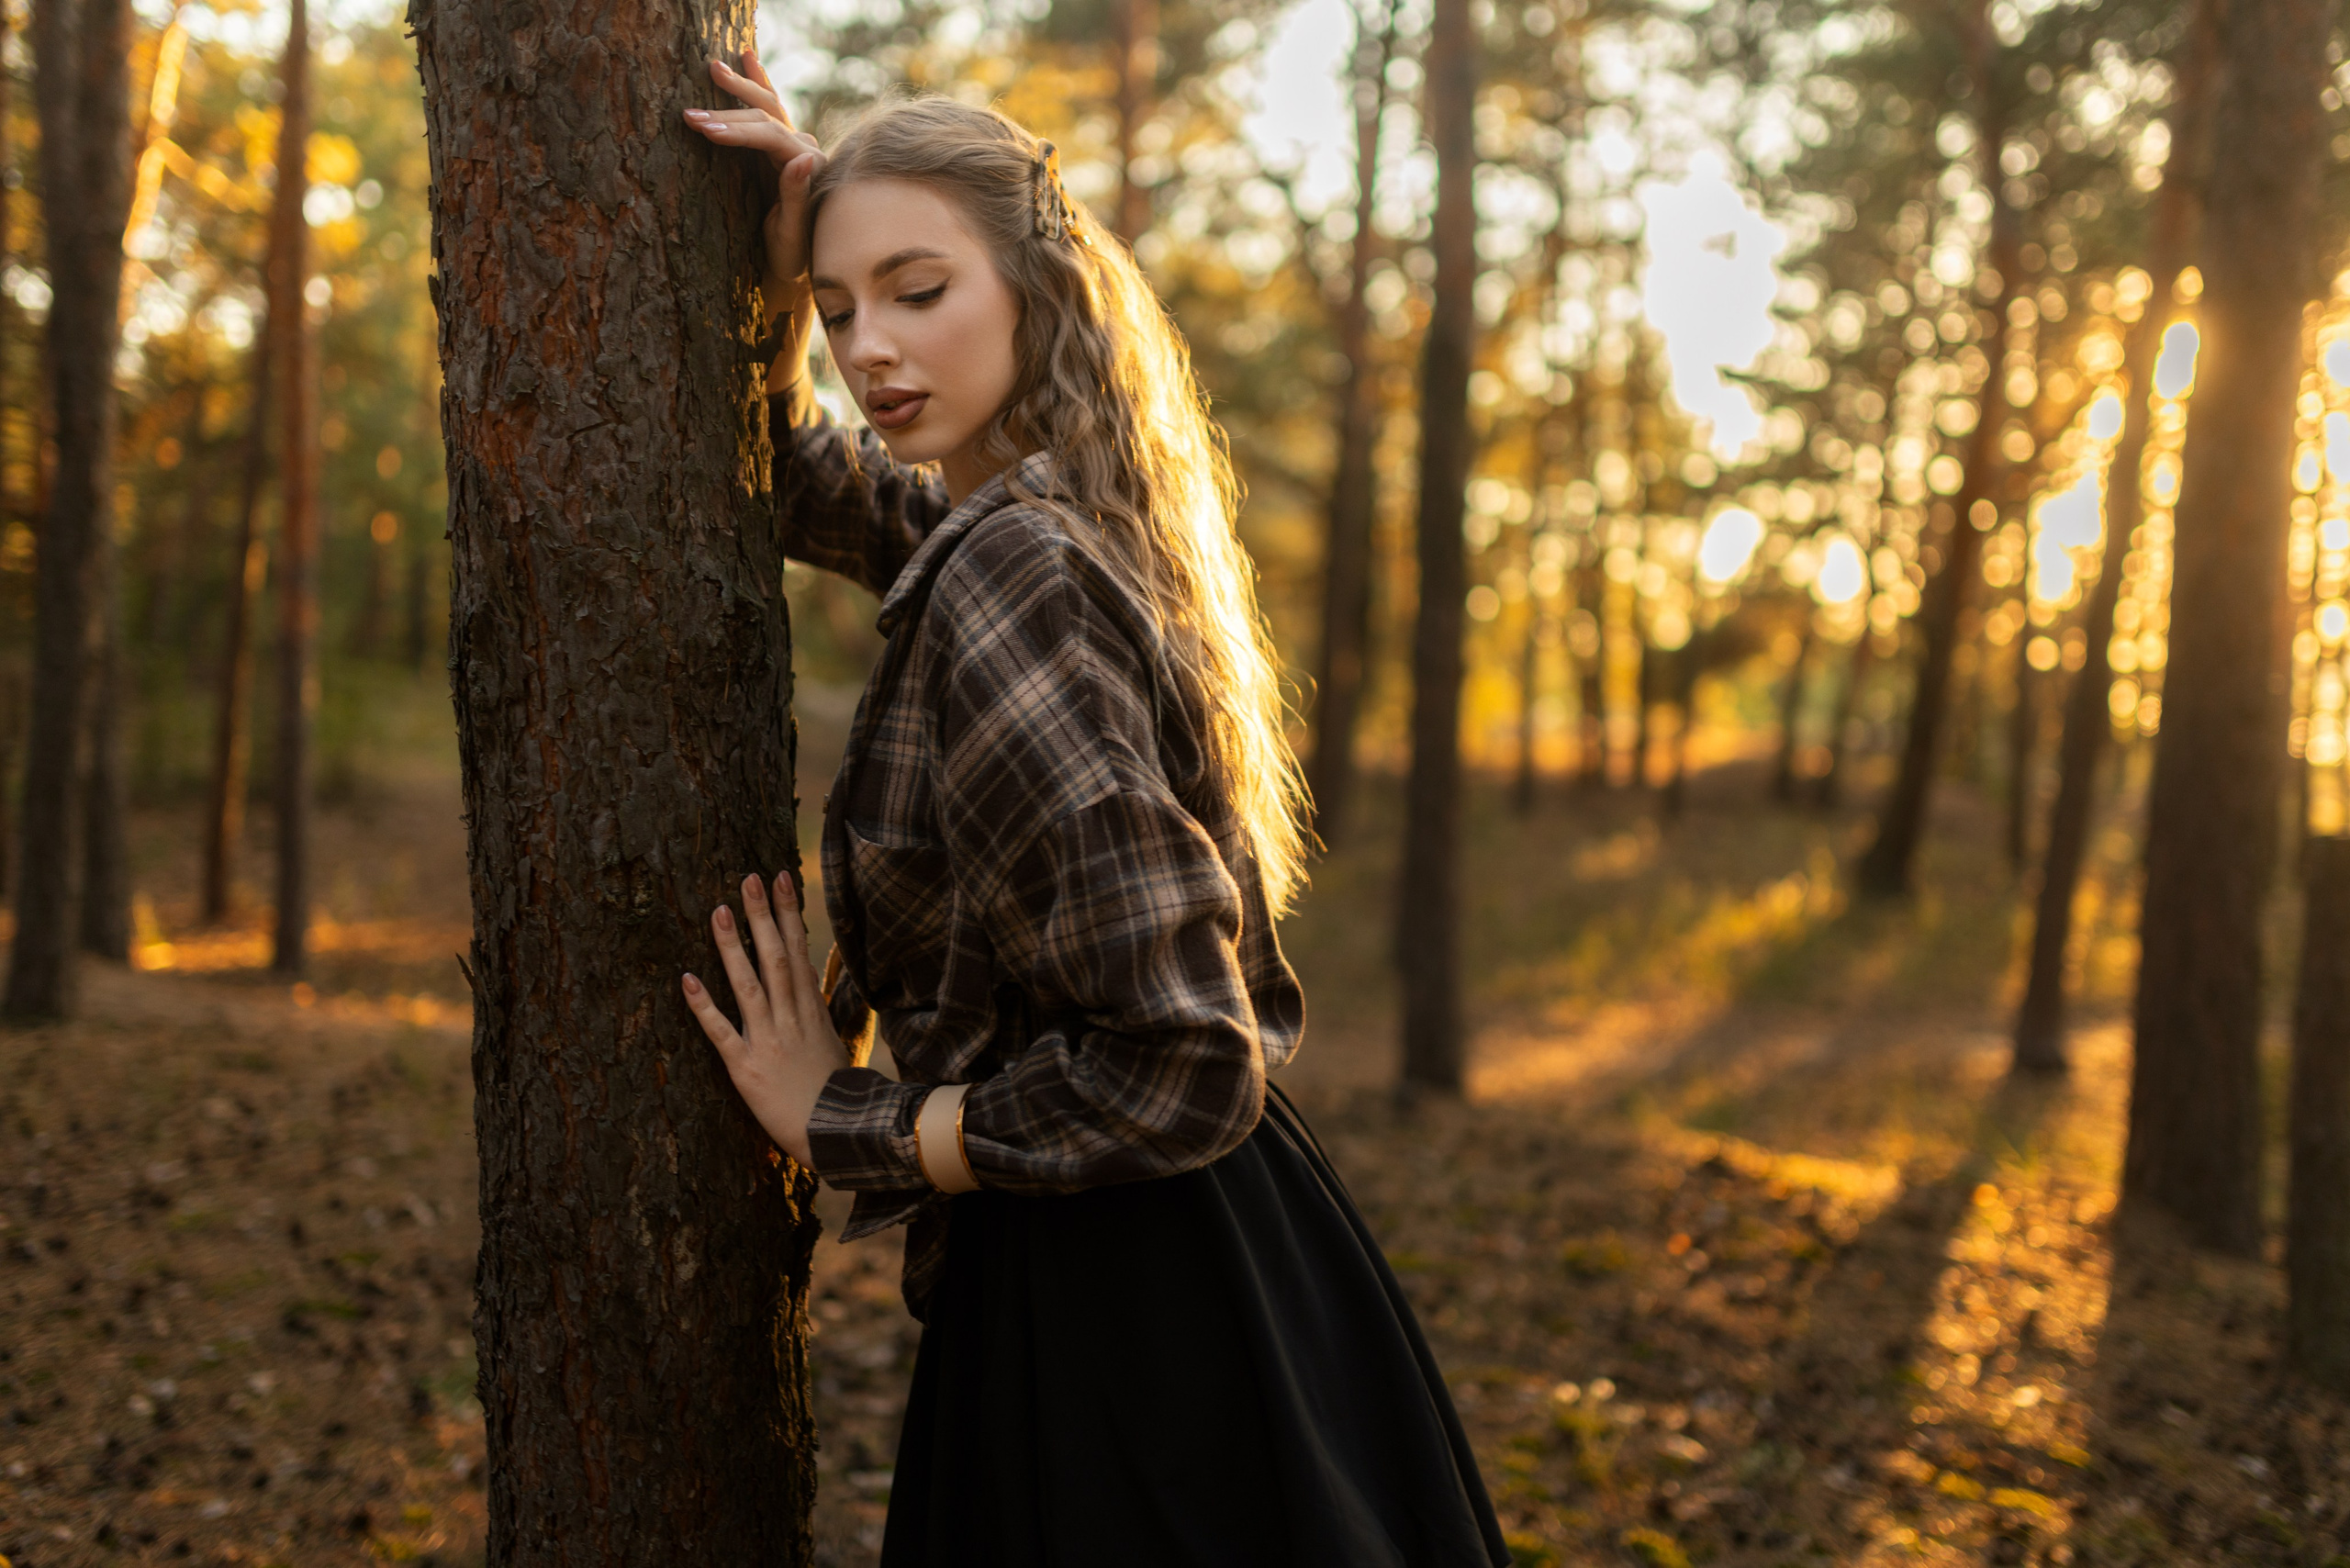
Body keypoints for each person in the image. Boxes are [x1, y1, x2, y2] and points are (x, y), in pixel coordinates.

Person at [677, 54, 1508, 1568]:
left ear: (1038, 291)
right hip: (1205, 1267)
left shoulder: (1017, 573)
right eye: (845, 307)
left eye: (919, 289)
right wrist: (783, 266)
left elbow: (1182, 1061)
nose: (872, 347)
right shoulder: (1052, 521)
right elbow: (797, 482)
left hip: (1136, 1317)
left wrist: (841, 1120)